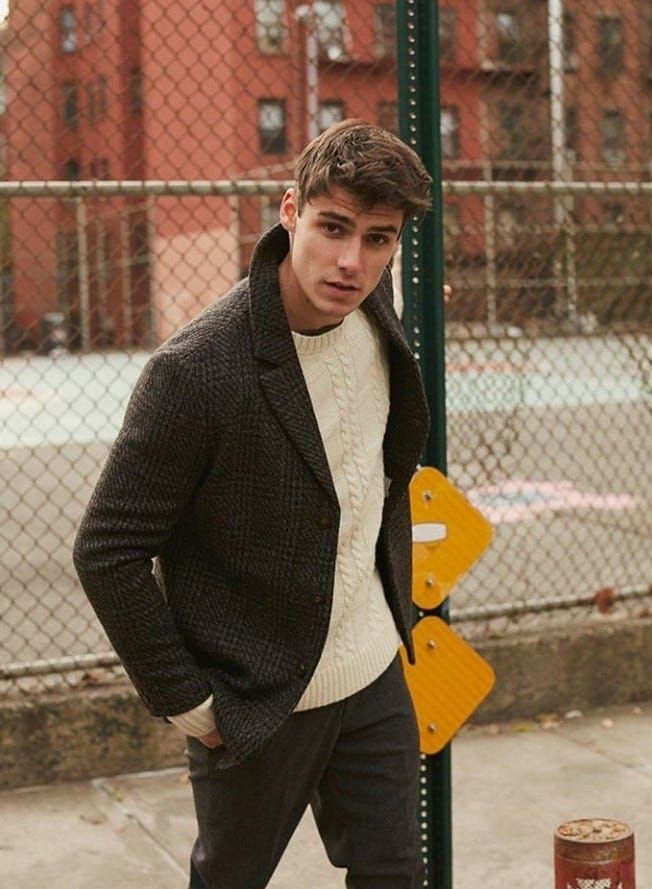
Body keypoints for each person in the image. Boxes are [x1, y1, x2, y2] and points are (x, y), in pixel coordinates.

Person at [73, 119, 433, 889]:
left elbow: (377, 464)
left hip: (371, 670)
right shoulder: (198, 372)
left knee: (398, 874)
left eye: (378, 238)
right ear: (289, 211)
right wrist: (190, 701)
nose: (351, 261)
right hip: (256, 696)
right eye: (333, 227)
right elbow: (106, 549)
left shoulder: (374, 304)